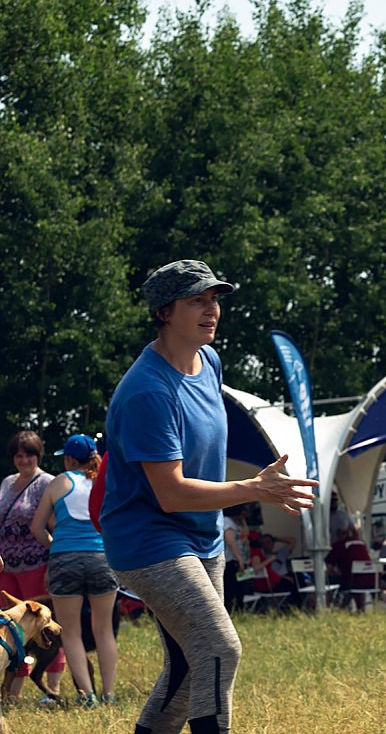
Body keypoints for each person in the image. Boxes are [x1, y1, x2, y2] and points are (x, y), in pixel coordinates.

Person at [99, 259, 318, 734]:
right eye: (197, 300)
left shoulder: (209, 362)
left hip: (203, 538)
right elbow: (172, 493)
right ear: (163, 311)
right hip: (148, 541)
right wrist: (255, 488)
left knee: (188, 668)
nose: (211, 309)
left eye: (214, 298)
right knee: (219, 649)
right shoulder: (146, 392)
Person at [29, 433, 117, 708]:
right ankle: (109, 695)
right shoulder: (105, 482)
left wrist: (56, 545)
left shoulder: (58, 483)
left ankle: (87, 696)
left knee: (70, 632)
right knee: (104, 631)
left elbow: (37, 527)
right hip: (101, 556)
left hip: (65, 559)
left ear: (68, 459)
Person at [0, 429, 65, 699]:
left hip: (37, 564)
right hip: (8, 567)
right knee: (12, 630)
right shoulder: (6, 483)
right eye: (18, 455)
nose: (23, 459)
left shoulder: (47, 482)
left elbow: (58, 526)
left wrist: (53, 564)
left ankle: (52, 689)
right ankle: (13, 690)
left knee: (44, 628)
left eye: (29, 454)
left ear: (38, 455)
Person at [326, 521, 376, 612]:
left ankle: (329, 608)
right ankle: (359, 609)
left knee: (327, 581)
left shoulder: (338, 545)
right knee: (356, 580)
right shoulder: (362, 543)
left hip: (352, 582)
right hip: (372, 582)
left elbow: (328, 567)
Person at [220, 503, 251, 611]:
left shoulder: (237, 522)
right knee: (231, 587)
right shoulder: (228, 521)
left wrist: (243, 522)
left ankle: (240, 608)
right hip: (232, 560)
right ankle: (231, 609)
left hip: (242, 558)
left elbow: (246, 534)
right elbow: (230, 541)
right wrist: (239, 558)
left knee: (242, 586)